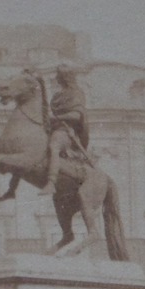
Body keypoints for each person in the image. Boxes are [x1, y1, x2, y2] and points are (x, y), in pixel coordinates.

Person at [38, 66, 94, 195]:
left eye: (59, 76)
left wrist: (56, 118)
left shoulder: (77, 93)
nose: (57, 79)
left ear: (65, 77)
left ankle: (51, 183)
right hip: (52, 129)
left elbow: (76, 116)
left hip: (67, 131)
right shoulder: (58, 95)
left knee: (54, 146)